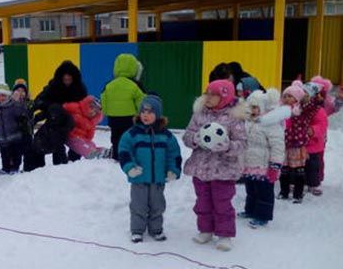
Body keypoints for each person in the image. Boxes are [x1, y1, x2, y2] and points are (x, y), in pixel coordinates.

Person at [183, 80, 247, 251]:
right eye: (207, 93)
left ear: (224, 97)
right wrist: (194, 139)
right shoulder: (199, 113)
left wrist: (227, 146)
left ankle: (225, 235)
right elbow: (187, 135)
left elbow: (242, 143)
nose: (208, 97)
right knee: (202, 202)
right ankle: (205, 230)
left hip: (224, 171)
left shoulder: (234, 117)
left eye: (213, 94)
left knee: (222, 203)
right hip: (201, 168)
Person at [119, 95, 182, 243]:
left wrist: (173, 170)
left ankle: (156, 229)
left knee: (157, 206)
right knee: (138, 206)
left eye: (150, 112)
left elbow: (174, 154)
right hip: (139, 178)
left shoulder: (166, 136)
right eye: (143, 112)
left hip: (158, 179)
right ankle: (137, 230)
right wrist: (130, 167)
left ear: (158, 115)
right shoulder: (132, 134)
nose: (145, 115)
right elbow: (124, 151)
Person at [238, 89, 285, 228]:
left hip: (264, 166)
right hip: (250, 164)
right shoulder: (248, 123)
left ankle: (262, 215)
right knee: (251, 189)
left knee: (264, 192)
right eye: (250, 107)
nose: (252, 110)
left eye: (256, 107)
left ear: (263, 107)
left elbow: (278, 146)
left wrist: (275, 166)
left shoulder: (271, 125)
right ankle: (250, 210)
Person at [28, 61, 87, 169]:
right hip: (55, 121)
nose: (67, 82)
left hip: (74, 123)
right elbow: (39, 100)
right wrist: (49, 108)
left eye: (69, 79)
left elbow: (85, 107)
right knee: (43, 143)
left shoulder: (80, 89)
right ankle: (44, 169)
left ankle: (72, 167)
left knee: (74, 147)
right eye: (65, 79)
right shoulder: (53, 86)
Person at [278, 81, 321, 203]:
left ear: (297, 98)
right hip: (285, 145)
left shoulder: (301, 110)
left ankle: (298, 194)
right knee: (284, 170)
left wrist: (310, 98)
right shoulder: (281, 110)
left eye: (290, 96)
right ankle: (284, 191)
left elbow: (312, 106)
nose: (286, 98)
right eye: (285, 96)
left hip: (298, 146)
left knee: (298, 171)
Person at [100, 54, 144, 161]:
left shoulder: (109, 84)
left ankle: (116, 154)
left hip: (113, 118)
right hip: (129, 117)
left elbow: (103, 99)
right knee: (130, 137)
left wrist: (107, 112)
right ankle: (129, 155)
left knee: (115, 137)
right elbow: (141, 101)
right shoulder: (135, 85)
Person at [0, 83, 29, 175]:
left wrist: (17, 102)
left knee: (15, 152)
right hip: (1, 134)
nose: (1, 98)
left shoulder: (12, 105)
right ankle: (6, 167)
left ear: (8, 96)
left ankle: (15, 167)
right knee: (4, 153)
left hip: (13, 133)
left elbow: (21, 112)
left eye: (3, 95)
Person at [11, 79, 35, 172]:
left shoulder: (29, 102)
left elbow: (29, 114)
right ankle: (15, 167)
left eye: (23, 91)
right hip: (15, 132)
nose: (20, 93)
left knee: (28, 150)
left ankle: (28, 167)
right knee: (15, 151)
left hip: (27, 131)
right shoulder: (11, 103)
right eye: (18, 90)